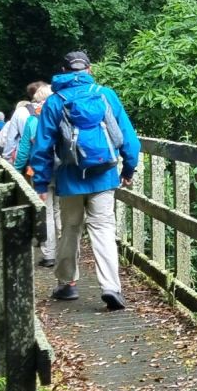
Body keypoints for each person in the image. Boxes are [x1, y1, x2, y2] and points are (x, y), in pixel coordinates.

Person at [28, 51, 140, 310]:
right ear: (89, 69)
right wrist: (128, 170)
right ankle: (111, 287)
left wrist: (41, 184)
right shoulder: (106, 95)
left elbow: (42, 147)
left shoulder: (55, 102)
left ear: (64, 71)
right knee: (103, 230)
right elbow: (129, 139)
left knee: (70, 229)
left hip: (70, 179)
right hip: (104, 176)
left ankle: (67, 284)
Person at [14, 85, 57, 269]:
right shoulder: (62, 115)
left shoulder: (33, 121)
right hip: (63, 169)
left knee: (46, 212)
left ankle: (50, 254)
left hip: (41, 170)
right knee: (60, 211)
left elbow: (24, 150)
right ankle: (65, 250)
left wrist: (16, 170)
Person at [0, 81, 46, 156]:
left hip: (27, 156)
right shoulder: (54, 109)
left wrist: (7, 157)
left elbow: (10, 139)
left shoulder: (21, 112)